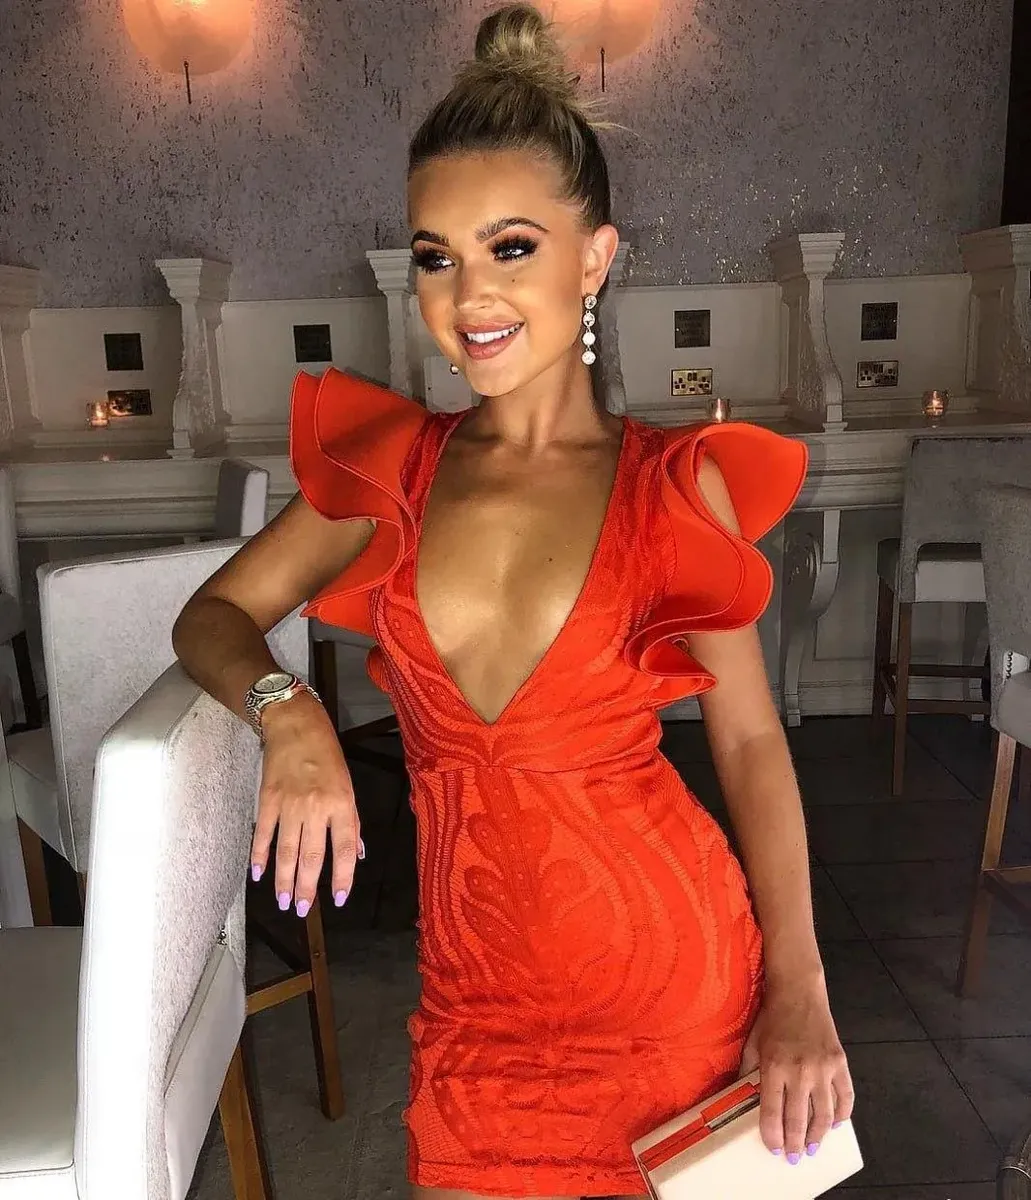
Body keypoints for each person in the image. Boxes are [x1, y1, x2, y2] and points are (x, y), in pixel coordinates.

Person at [172, 5, 854, 1198]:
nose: (467, 295)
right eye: (436, 257)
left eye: (511, 248)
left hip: (670, 1000)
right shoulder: (391, 471)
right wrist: (288, 715)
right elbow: (210, 619)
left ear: (594, 257)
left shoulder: (669, 486)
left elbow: (748, 743)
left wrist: (798, 989)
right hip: (476, 1018)